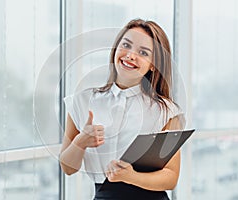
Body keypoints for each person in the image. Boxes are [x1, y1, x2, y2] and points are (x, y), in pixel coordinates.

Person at [60, 18, 185, 200]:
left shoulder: (167, 112)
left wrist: (131, 176)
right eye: (126, 45)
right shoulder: (83, 101)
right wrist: (80, 142)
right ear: (116, 48)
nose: (131, 55)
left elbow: (171, 177)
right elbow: (68, 168)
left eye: (143, 52)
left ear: (153, 65)